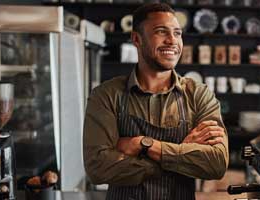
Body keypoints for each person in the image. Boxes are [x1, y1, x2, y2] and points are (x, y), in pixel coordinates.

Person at [82, 3, 229, 200]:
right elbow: (98, 168)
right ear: (136, 38)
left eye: (177, 33)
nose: (172, 41)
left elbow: (216, 164)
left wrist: (143, 145)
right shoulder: (106, 95)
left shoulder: (199, 95)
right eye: (161, 32)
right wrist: (178, 156)